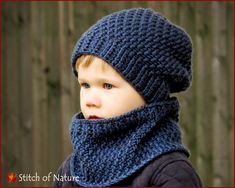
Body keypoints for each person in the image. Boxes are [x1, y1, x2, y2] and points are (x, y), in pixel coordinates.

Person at [54, 8, 202, 187]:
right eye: (85, 85)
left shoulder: (170, 172)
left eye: (107, 86)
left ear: (148, 91)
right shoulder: (72, 170)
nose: (90, 100)